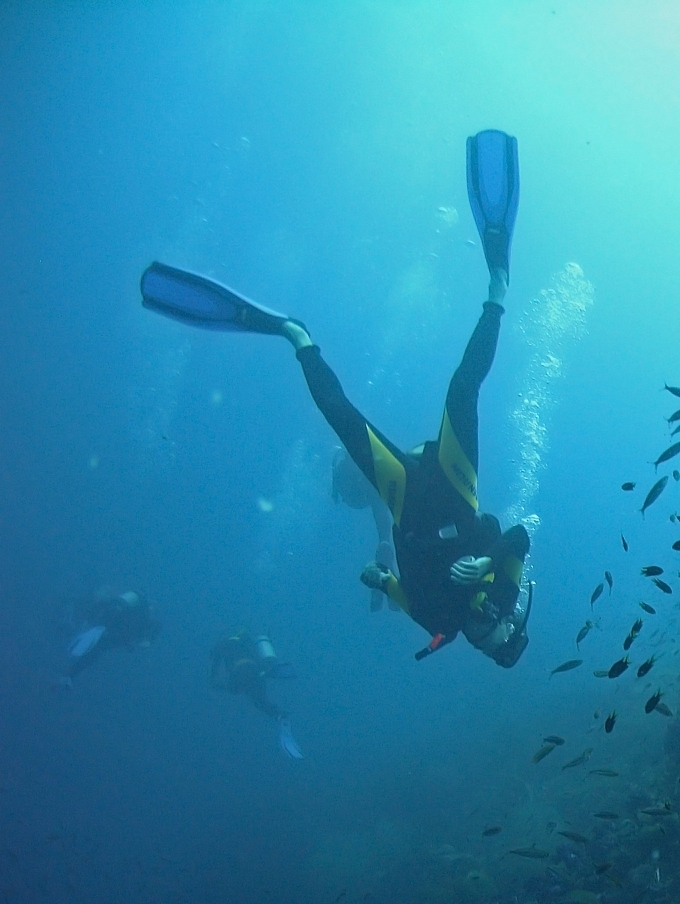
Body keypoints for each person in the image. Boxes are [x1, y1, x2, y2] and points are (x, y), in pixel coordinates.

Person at [139, 130, 533, 667]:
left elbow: (402, 595)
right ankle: (498, 285)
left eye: (485, 633)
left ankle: (295, 336)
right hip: (452, 485)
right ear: (510, 617)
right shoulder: (506, 591)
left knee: (339, 417)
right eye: (498, 624)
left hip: (404, 501)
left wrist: (379, 578)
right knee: (462, 389)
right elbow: (518, 537)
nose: (486, 621)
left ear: (477, 645)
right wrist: (485, 562)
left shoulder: (440, 622)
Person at [210, 629, 303, 758]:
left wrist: (214, 680)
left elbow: (215, 662)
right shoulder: (250, 643)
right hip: (257, 673)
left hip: (240, 671)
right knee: (260, 702)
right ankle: (280, 716)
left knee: (235, 690)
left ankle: (279, 715)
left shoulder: (225, 643)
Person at [330, 446, 397, 613]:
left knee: (378, 507)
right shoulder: (349, 467)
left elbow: (336, 491)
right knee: (379, 509)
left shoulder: (342, 465)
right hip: (364, 492)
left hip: (359, 494)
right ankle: (385, 544)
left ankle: (384, 545)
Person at [62, 588, 159, 684]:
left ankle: (69, 674)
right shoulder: (144, 615)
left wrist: (92, 617)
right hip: (115, 630)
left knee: (97, 647)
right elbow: (150, 628)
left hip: (109, 621)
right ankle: (69, 675)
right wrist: (147, 641)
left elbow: (106, 604)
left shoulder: (130, 606)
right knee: (97, 649)